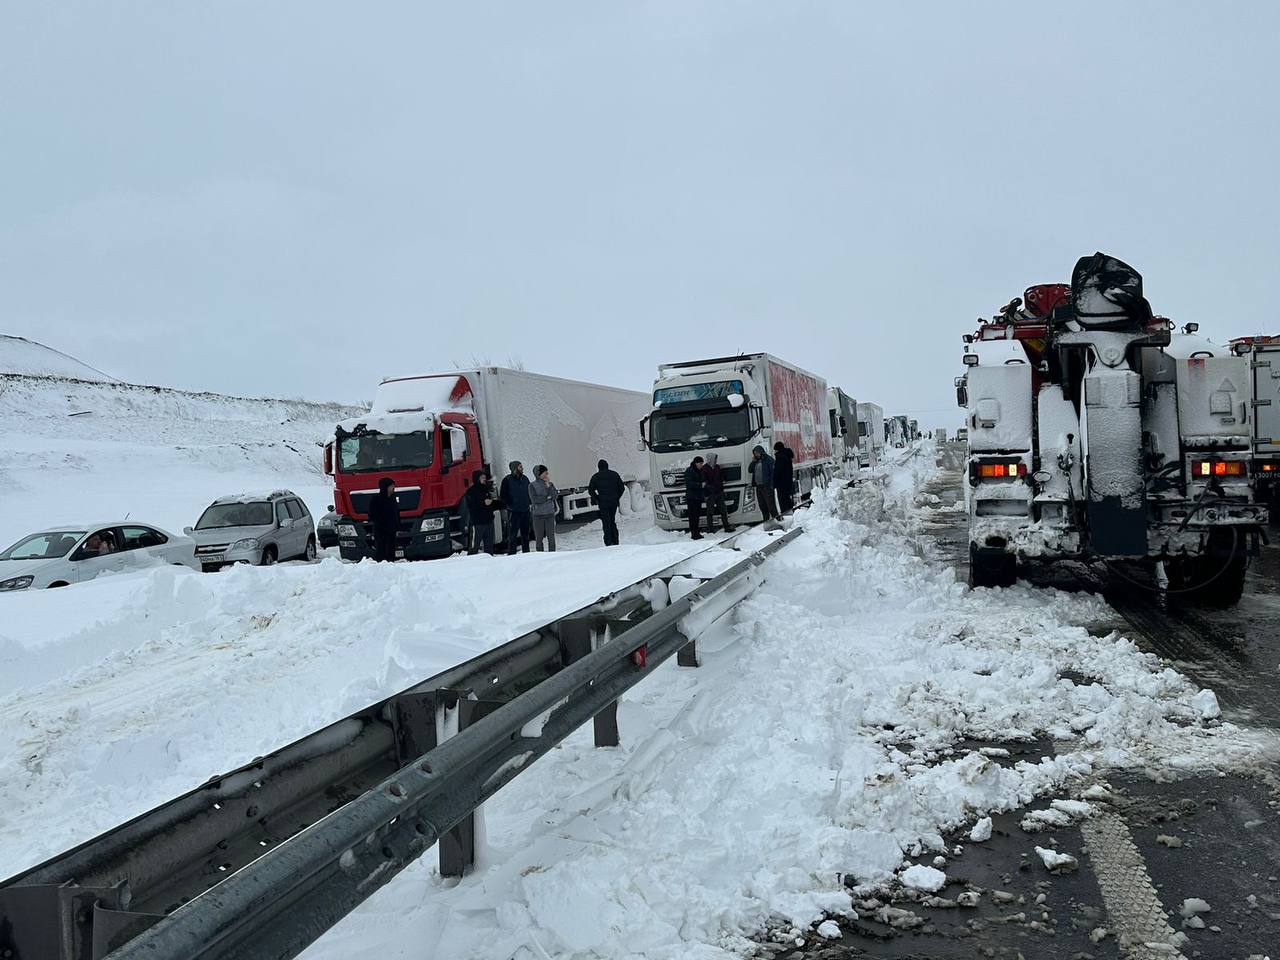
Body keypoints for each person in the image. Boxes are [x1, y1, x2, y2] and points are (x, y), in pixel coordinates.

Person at [588, 458, 626, 546]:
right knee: (612, 520)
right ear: (607, 466)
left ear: (598, 467)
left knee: (606, 522)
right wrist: (617, 497)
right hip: (614, 503)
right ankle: (615, 540)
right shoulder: (614, 475)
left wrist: (597, 498)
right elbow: (622, 488)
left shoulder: (595, 477)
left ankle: (608, 541)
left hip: (603, 503)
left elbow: (590, 490)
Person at [464, 469, 502, 555]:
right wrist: (483, 503)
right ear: (477, 478)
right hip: (478, 523)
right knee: (474, 546)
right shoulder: (471, 491)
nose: (484, 479)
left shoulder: (486, 490)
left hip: (488, 521)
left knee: (489, 546)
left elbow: (491, 503)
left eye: (485, 477)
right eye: (482, 477)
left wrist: (496, 503)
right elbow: (471, 506)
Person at [499, 460, 532, 554]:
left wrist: (529, 501)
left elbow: (530, 491)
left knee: (526, 535)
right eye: (520, 467)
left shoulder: (525, 478)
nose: (522, 468)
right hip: (514, 512)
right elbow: (503, 495)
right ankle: (512, 554)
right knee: (512, 535)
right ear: (515, 468)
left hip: (525, 510)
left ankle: (526, 553)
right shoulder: (507, 480)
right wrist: (510, 503)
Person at [367, 477, 401, 561]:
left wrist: (397, 525)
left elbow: (396, 513)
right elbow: (372, 514)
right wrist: (381, 522)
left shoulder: (393, 499)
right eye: (391, 486)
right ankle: (381, 568)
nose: (393, 488)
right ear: (385, 487)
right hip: (381, 530)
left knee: (391, 552)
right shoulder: (376, 499)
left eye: (393, 486)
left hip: (392, 530)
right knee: (381, 551)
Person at [529, 465, 559, 552]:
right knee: (539, 537)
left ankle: (553, 553)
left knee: (551, 537)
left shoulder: (550, 484)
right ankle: (540, 555)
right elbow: (534, 499)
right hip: (538, 515)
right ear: (539, 474)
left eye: (547, 473)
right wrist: (547, 498)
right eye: (545, 472)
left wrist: (548, 486)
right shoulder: (532, 485)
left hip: (550, 513)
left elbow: (555, 495)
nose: (547, 474)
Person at [702, 453, 734, 534]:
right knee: (710, 512)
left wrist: (721, 489)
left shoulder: (717, 467)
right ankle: (710, 529)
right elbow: (705, 482)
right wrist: (709, 491)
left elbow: (720, 478)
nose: (716, 460)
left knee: (723, 510)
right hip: (710, 494)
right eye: (715, 459)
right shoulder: (704, 468)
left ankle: (726, 527)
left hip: (719, 492)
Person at [750, 445, 778, 525]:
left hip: (767, 486)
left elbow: (773, 473)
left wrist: (772, 484)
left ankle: (776, 519)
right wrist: (753, 461)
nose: (756, 455)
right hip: (759, 486)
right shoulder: (756, 461)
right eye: (754, 453)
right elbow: (750, 470)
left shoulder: (768, 460)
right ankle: (766, 521)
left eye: (757, 453)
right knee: (762, 505)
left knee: (770, 505)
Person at [684, 456, 706, 539]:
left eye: (702, 463)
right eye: (700, 463)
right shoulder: (689, 471)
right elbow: (689, 483)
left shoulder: (700, 471)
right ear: (696, 463)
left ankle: (697, 532)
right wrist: (700, 485)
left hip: (698, 496)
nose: (701, 465)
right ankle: (694, 533)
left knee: (697, 515)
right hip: (692, 497)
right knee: (692, 516)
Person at [773, 441, 796, 514]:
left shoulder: (780, 457)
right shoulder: (787, 456)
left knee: (783, 500)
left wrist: (774, 481)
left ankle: (786, 513)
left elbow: (778, 471)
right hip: (788, 481)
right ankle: (790, 511)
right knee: (787, 498)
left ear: (777, 449)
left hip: (781, 483)